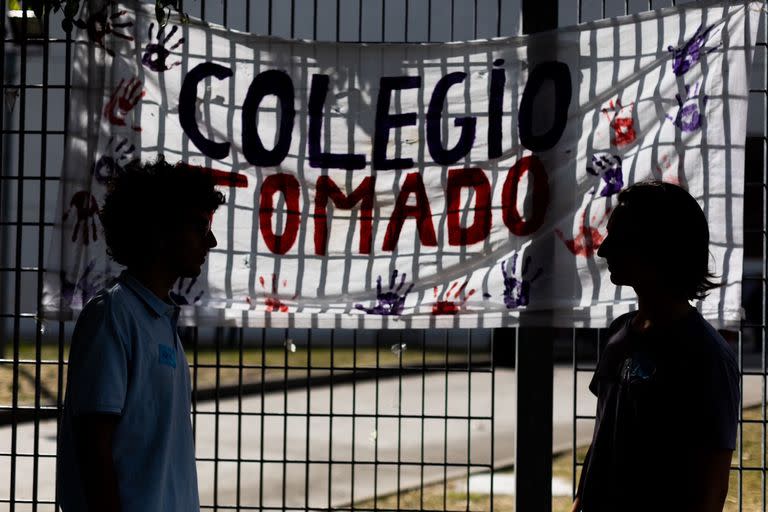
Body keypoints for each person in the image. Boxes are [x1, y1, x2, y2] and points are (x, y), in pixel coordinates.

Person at [56, 157, 225, 511]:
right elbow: (93, 449)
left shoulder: (159, 320)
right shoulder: (113, 317)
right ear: (160, 231)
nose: (209, 240)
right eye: (198, 225)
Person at [571, 181, 740, 512]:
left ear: (657, 248)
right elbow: (602, 441)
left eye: (618, 239)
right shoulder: (620, 334)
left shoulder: (706, 356)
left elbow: (712, 487)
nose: (604, 251)